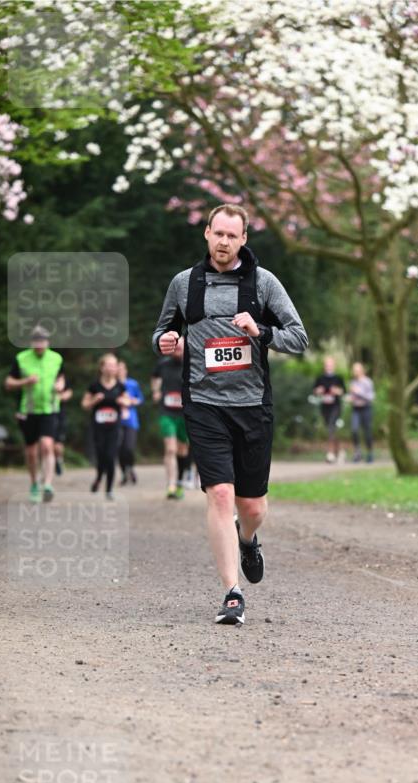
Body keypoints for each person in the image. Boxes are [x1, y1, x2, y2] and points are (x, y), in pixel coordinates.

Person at [152, 203, 308, 625]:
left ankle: (249, 537)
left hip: (252, 406)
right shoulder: (185, 284)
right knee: (219, 494)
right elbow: (162, 331)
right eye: (216, 233)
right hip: (203, 404)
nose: (223, 242)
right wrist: (165, 341)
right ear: (206, 234)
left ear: (243, 240)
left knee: (252, 505)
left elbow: (299, 337)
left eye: (231, 236)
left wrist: (262, 331)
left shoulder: (264, 284)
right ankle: (232, 593)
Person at [4, 325, 65, 503]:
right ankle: (33, 483)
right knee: (31, 451)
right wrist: (25, 381)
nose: (39, 344)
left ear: (47, 342)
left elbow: (61, 377)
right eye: (36, 341)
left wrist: (60, 385)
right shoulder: (21, 358)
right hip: (28, 411)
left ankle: (47, 484)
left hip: (50, 409)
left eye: (42, 341)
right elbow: (8, 383)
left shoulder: (56, 358)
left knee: (47, 445)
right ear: (31, 343)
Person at [81, 353, 130, 499]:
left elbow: (128, 402)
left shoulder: (120, 386)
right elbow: (84, 404)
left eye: (114, 365)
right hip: (98, 428)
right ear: (102, 368)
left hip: (114, 428)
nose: (112, 368)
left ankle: (109, 489)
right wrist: (94, 400)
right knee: (101, 456)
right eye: (108, 365)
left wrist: (124, 402)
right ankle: (98, 478)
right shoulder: (94, 386)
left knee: (110, 456)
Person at [151, 339, 190, 499]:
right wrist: (156, 391)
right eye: (175, 348)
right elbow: (154, 377)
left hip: (185, 414)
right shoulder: (163, 364)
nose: (177, 350)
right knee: (171, 449)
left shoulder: (192, 364)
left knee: (183, 450)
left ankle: (180, 481)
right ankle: (171, 485)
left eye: (180, 348)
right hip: (167, 412)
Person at [313, 356, 346, 462]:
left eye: (330, 365)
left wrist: (337, 391)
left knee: (331, 427)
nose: (329, 367)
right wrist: (319, 391)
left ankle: (330, 453)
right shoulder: (320, 378)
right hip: (325, 407)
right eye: (327, 365)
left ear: (334, 366)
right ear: (324, 366)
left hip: (336, 406)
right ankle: (340, 451)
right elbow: (315, 391)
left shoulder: (338, 378)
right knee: (331, 429)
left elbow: (343, 391)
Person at [117, 360, 144, 486]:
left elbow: (140, 399)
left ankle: (130, 468)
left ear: (126, 370)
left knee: (129, 447)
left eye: (122, 368)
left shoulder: (132, 384)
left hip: (131, 420)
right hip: (116, 420)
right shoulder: (113, 385)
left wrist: (133, 401)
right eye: (118, 368)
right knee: (119, 448)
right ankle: (123, 473)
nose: (120, 371)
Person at [348, 362, 375, 462]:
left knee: (367, 432)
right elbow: (352, 395)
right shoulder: (353, 382)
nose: (355, 372)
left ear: (361, 370)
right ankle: (357, 453)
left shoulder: (368, 382)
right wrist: (350, 398)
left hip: (366, 409)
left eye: (357, 370)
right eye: (354, 370)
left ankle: (370, 452)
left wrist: (358, 392)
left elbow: (371, 397)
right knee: (354, 430)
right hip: (355, 409)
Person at [53, 376, 73, 476]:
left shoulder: (62, 377)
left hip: (59, 414)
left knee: (58, 443)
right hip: (43, 413)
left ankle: (59, 460)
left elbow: (68, 393)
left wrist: (57, 397)